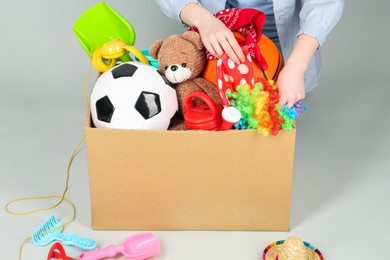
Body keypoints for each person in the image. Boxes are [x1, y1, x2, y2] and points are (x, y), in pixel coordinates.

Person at [153, 0, 344, 108]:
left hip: (285, 47)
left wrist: (295, 67)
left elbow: (324, 5)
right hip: (220, 41)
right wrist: (204, 20)